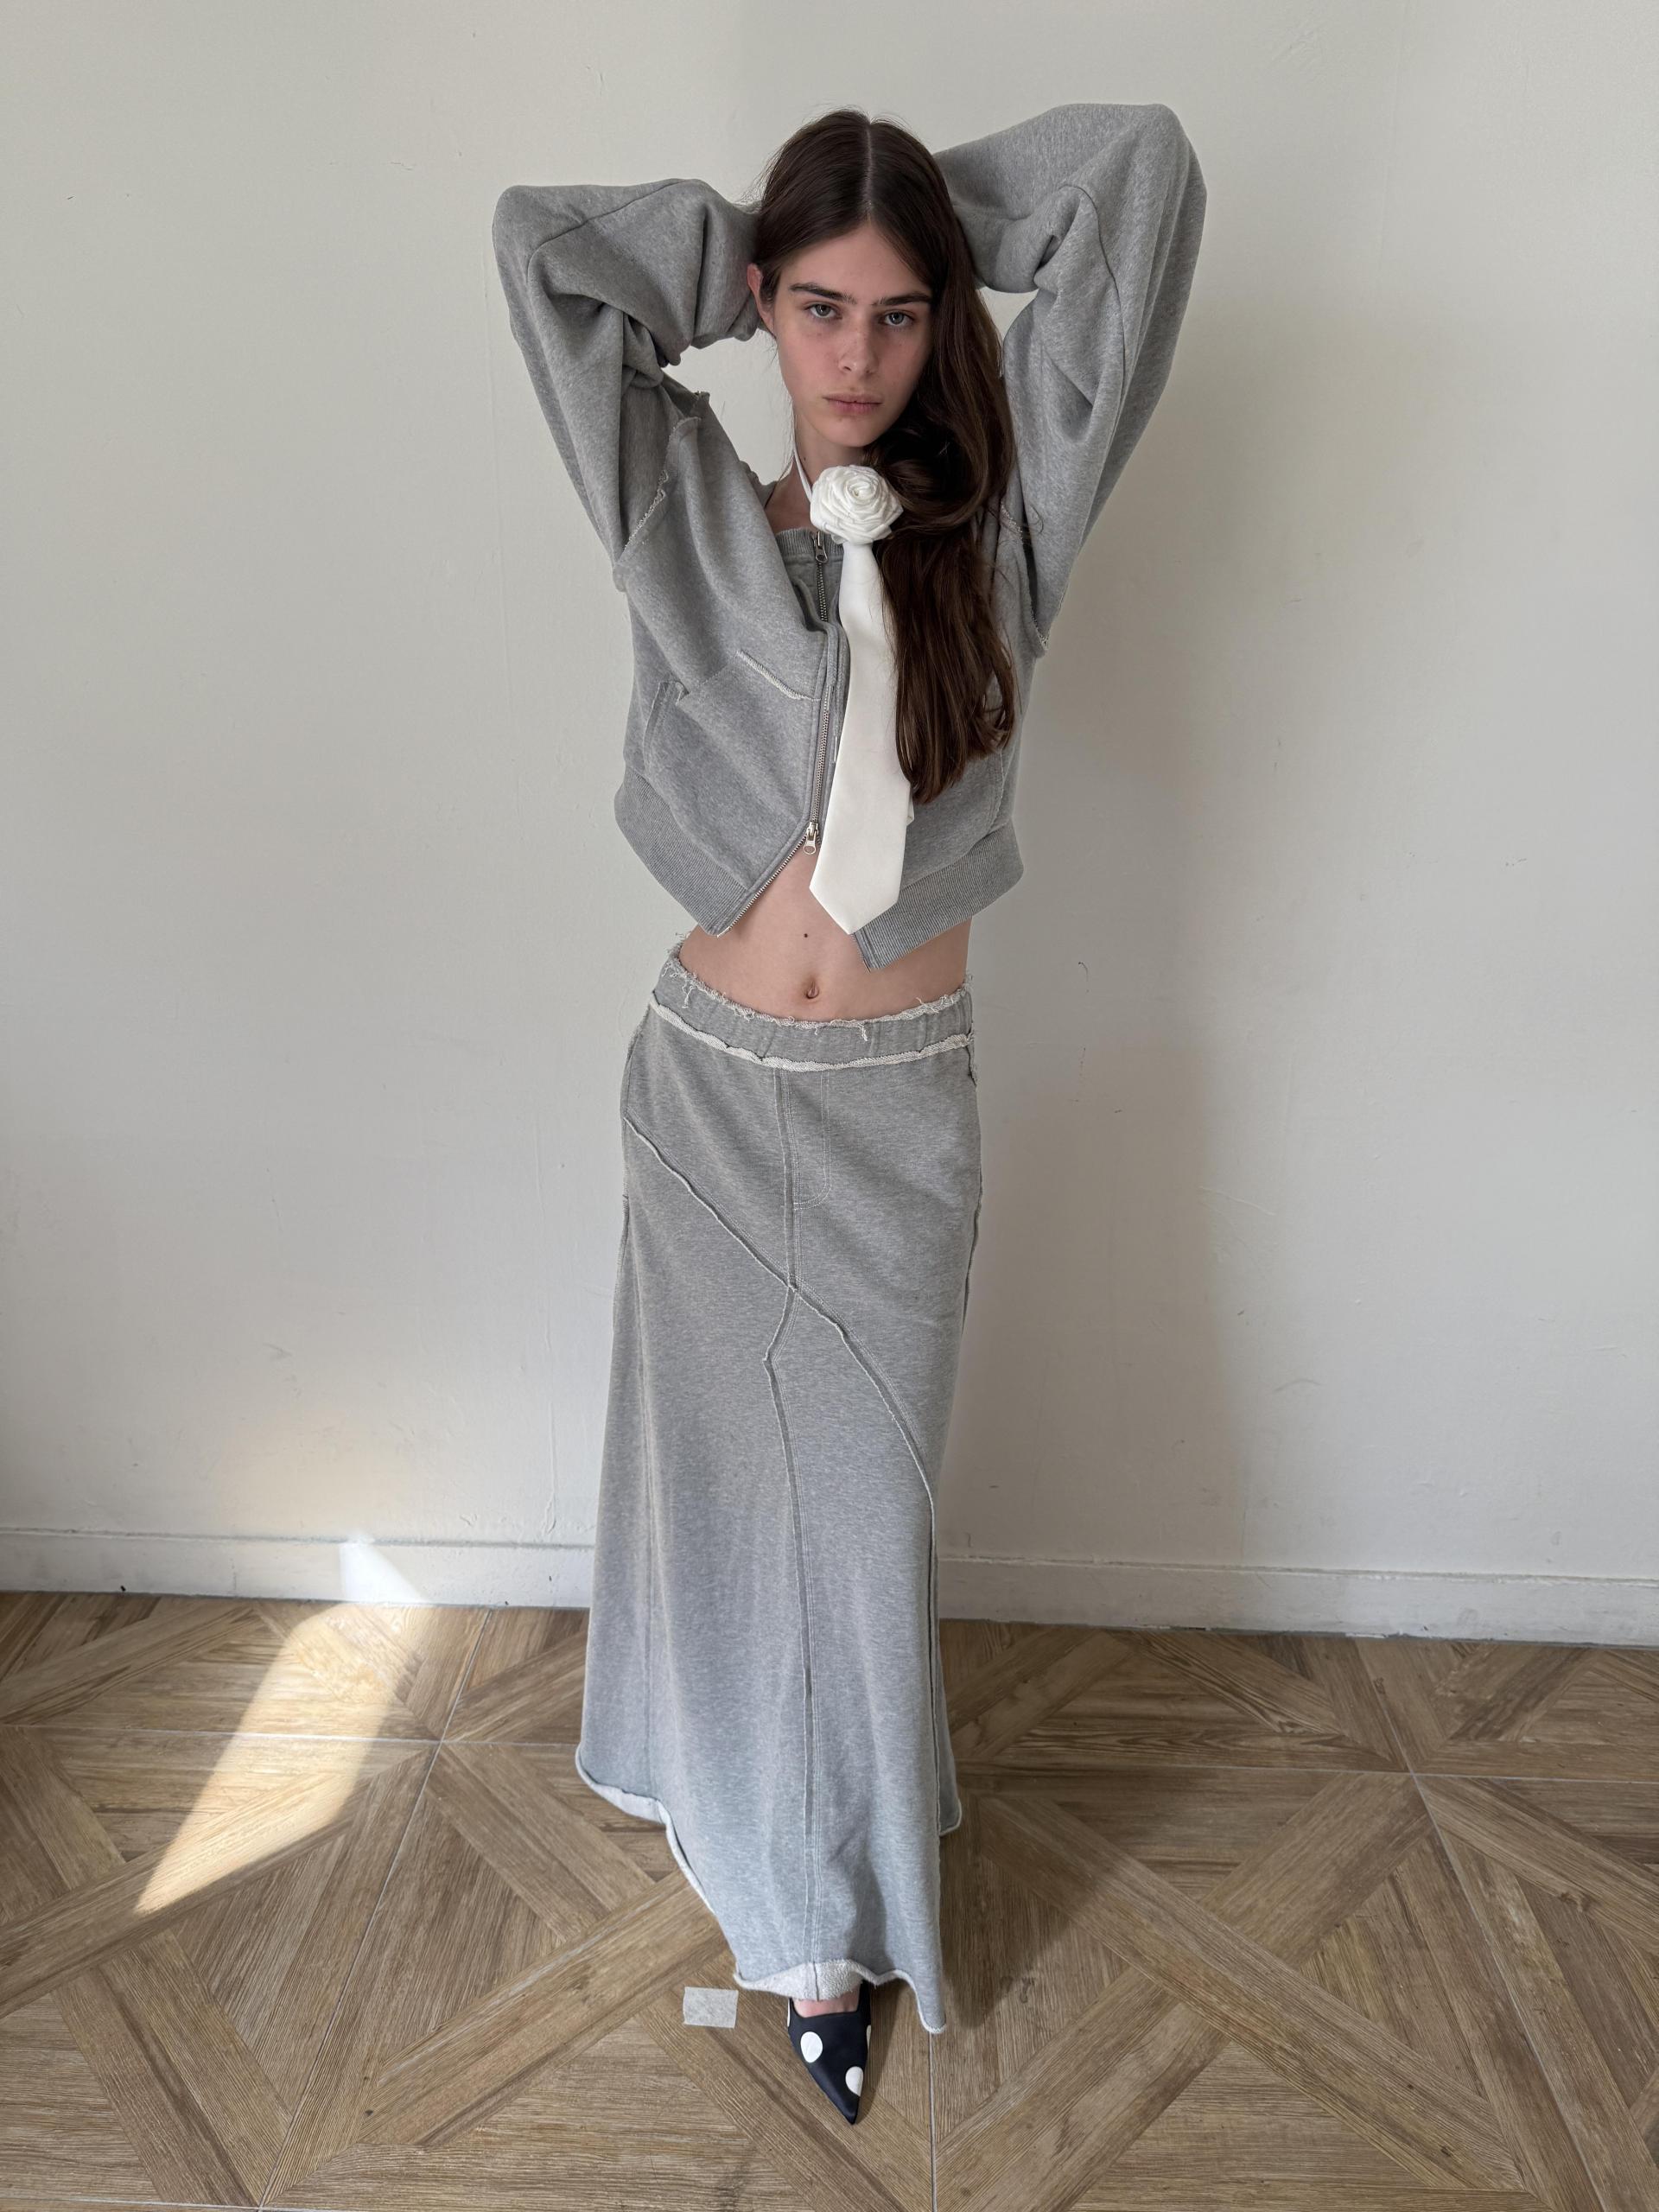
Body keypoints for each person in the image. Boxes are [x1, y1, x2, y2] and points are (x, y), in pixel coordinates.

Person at [492, 98, 1205, 2125]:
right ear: (761, 306)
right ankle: (798, 1914)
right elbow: (539, 249)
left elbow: (1143, 178)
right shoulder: (681, 510)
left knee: (863, 1524)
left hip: (896, 1110)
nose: (861, 354)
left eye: (901, 314)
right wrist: (749, 239)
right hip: (708, 1092)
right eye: (819, 308)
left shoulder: (1009, 515)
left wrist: (919, 215)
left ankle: (850, 1850)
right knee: (731, 1512)